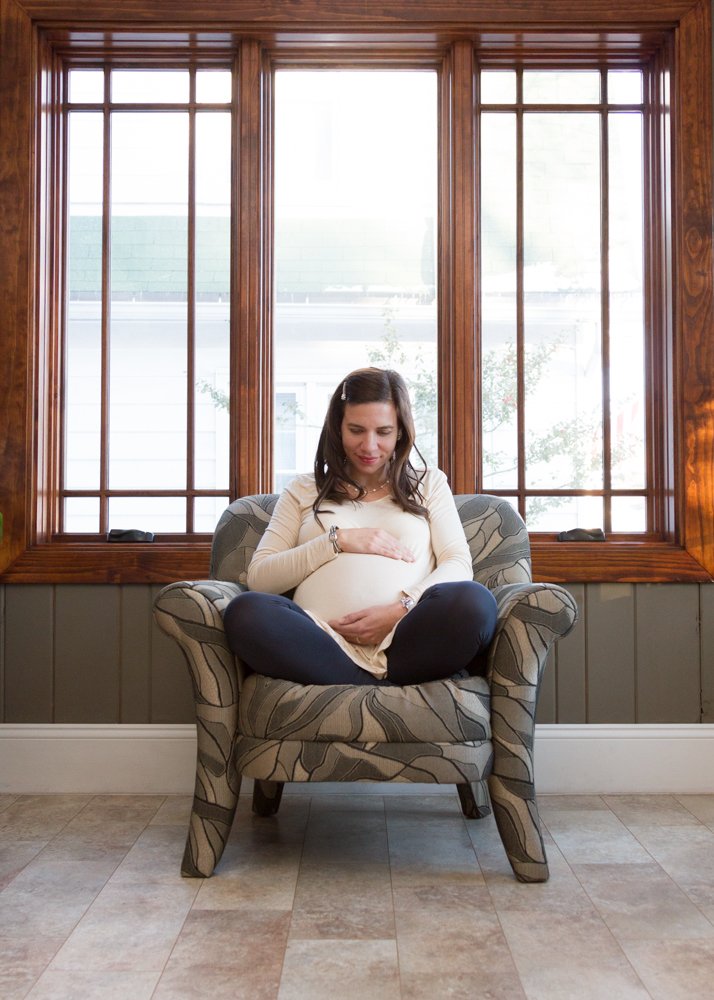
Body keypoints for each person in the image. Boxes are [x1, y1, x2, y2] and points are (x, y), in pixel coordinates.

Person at [223, 367, 498, 686]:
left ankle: (352, 682)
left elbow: (458, 563)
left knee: (475, 602)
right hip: (319, 639)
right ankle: (371, 685)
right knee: (245, 611)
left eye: (383, 432)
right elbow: (260, 578)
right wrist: (336, 541)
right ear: (338, 428)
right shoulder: (302, 490)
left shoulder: (429, 484)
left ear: (400, 432)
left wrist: (402, 607)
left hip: (406, 639)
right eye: (356, 430)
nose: (369, 446)